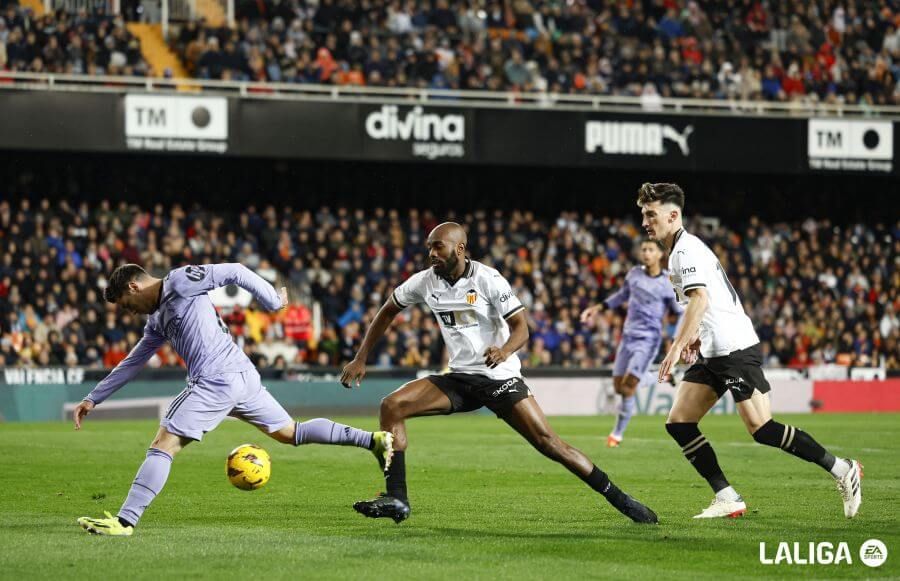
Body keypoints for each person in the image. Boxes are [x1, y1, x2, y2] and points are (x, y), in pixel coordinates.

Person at [340, 222, 658, 524]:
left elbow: (522, 328)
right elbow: (387, 311)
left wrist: (504, 351)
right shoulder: (424, 281)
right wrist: (360, 357)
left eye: (438, 247)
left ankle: (621, 499)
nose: (432, 254)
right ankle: (396, 497)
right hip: (460, 378)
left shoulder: (488, 279)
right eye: (429, 248)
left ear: (460, 248)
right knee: (391, 406)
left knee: (550, 444)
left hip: (499, 378)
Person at [74, 263, 393, 536]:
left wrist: (272, 300)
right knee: (289, 433)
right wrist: (94, 397)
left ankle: (124, 522)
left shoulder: (181, 279)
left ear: (134, 285)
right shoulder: (157, 320)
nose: (129, 311)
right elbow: (134, 360)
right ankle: (374, 441)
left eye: (126, 303)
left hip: (215, 379)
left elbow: (235, 271)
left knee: (163, 445)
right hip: (242, 376)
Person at [637, 183, 861, 519]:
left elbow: (700, 299)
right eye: (643, 214)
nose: (645, 222)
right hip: (713, 350)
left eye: (651, 214)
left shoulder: (685, 252)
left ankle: (843, 469)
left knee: (763, 429)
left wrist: (675, 347)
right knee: (680, 422)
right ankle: (728, 497)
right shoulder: (679, 252)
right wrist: (695, 336)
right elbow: (703, 304)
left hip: (734, 348)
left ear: (673, 215)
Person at [580, 239, 683, 447]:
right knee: (619, 387)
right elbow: (621, 296)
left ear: (660, 255)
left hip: (648, 339)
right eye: (644, 249)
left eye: (651, 249)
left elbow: (680, 312)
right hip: (627, 337)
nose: (646, 253)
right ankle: (663, 376)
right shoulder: (634, 274)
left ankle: (616, 435)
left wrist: (676, 340)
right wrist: (597, 308)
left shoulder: (669, 281)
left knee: (628, 387)